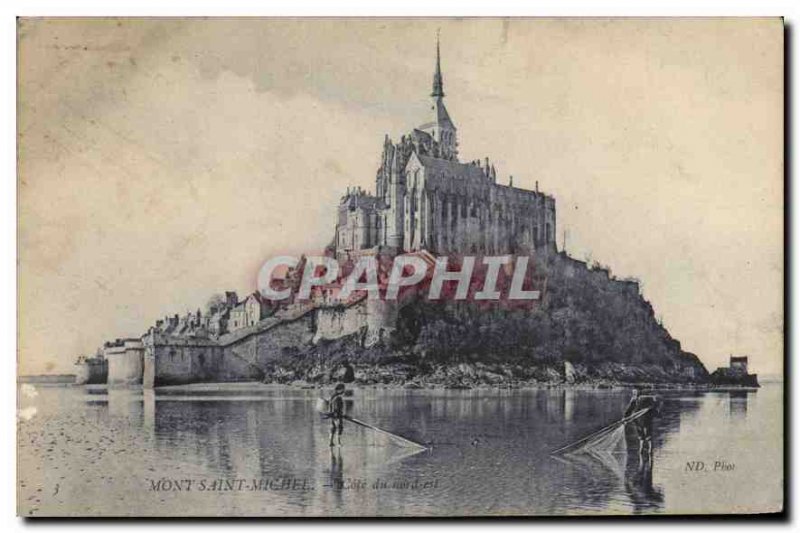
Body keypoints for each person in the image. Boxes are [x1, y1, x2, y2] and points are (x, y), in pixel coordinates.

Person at [624, 389, 659, 457]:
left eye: (635, 393)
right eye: (634, 393)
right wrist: (625, 418)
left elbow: (629, 410)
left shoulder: (641, 399)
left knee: (645, 436)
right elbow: (629, 410)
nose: (634, 395)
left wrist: (625, 418)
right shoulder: (637, 400)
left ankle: (646, 451)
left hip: (642, 420)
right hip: (641, 420)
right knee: (644, 436)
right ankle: (645, 451)